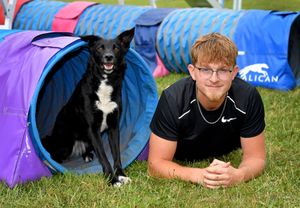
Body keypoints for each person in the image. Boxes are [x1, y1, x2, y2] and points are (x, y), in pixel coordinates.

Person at [148, 33, 266, 189]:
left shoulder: (247, 97)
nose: (214, 78)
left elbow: (256, 158)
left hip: (225, 149)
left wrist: (239, 175)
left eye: (223, 70)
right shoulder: (173, 99)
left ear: (234, 72)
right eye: (205, 70)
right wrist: (197, 175)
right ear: (192, 72)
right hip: (182, 153)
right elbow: (155, 165)